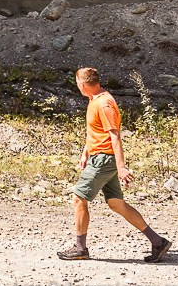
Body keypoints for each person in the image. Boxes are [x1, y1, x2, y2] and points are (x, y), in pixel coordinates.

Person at [57, 67, 171, 262]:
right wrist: (86, 152)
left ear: (82, 85)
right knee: (116, 204)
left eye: (77, 84)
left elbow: (115, 136)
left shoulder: (104, 104)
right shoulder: (95, 100)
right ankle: (157, 242)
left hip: (103, 159)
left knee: (79, 198)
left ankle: (80, 248)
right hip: (98, 156)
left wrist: (121, 167)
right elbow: (96, 131)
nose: (77, 87)